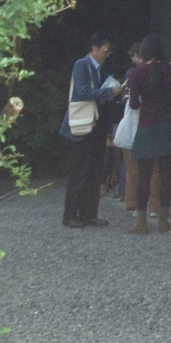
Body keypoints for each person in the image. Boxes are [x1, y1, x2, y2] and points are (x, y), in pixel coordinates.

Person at [60, 33, 125, 228]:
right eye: (106, 50)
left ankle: (89, 214)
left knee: (95, 172)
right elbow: (81, 92)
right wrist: (109, 92)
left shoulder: (102, 70)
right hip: (83, 126)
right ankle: (70, 215)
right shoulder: (81, 65)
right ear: (94, 48)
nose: (107, 54)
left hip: (98, 126)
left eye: (109, 51)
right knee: (80, 171)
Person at [126, 34, 171, 235]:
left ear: (143, 52)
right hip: (167, 126)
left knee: (144, 176)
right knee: (166, 175)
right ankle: (163, 220)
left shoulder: (136, 73)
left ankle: (141, 222)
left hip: (146, 127)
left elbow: (133, 104)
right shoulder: (169, 69)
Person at [120, 43, 163, 217]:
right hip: (157, 125)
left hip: (135, 126)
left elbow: (133, 103)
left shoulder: (134, 74)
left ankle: (133, 204)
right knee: (155, 170)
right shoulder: (165, 72)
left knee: (133, 169)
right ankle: (154, 206)